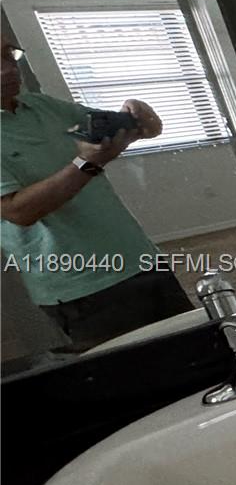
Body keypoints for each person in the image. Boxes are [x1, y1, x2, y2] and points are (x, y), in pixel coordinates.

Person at [1, 37, 192, 351]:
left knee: (200, 354)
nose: (8, 68)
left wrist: (138, 111)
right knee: (140, 376)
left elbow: (143, 128)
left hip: (140, 259)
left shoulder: (41, 106)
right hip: (82, 287)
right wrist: (89, 163)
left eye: (9, 54)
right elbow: (19, 211)